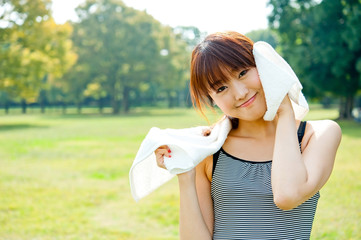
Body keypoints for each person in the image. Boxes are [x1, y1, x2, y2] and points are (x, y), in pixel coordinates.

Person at [155, 31, 342, 240]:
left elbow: (288, 195)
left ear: (264, 64)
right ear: (212, 99)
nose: (240, 93)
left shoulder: (316, 136)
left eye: (242, 73)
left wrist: (285, 112)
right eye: (222, 88)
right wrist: (185, 175)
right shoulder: (209, 149)